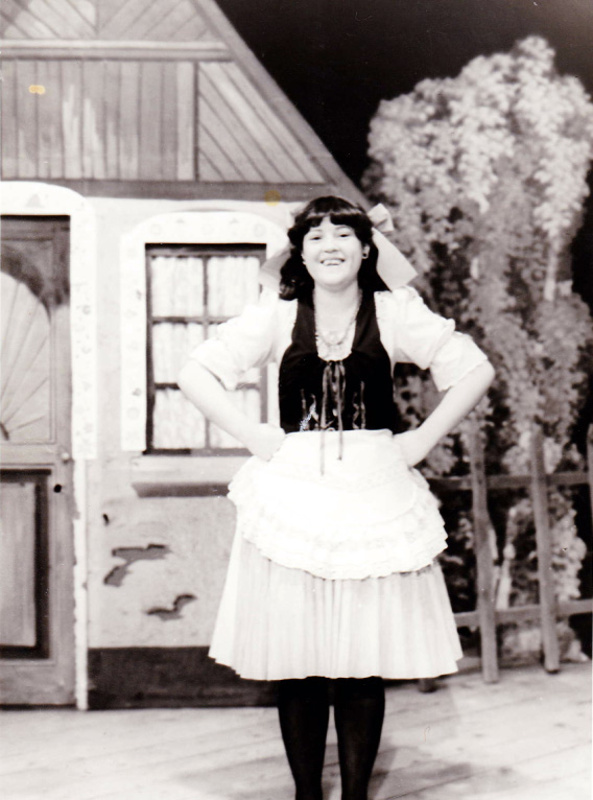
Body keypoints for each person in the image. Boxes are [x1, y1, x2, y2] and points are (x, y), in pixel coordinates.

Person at [178, 196, 495, 800]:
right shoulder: (277, 314)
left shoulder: (394, 311)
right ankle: (306, 795)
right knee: (298, 662)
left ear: (367, 247)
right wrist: (252, 435)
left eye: (344, 234)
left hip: (373, 496)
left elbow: (474, 368)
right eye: (316, 236)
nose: (330, 246)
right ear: (299, 252)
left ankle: (354, 796)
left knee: (360, 662)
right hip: (294, 496)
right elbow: (196, 372)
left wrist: (421, 439)